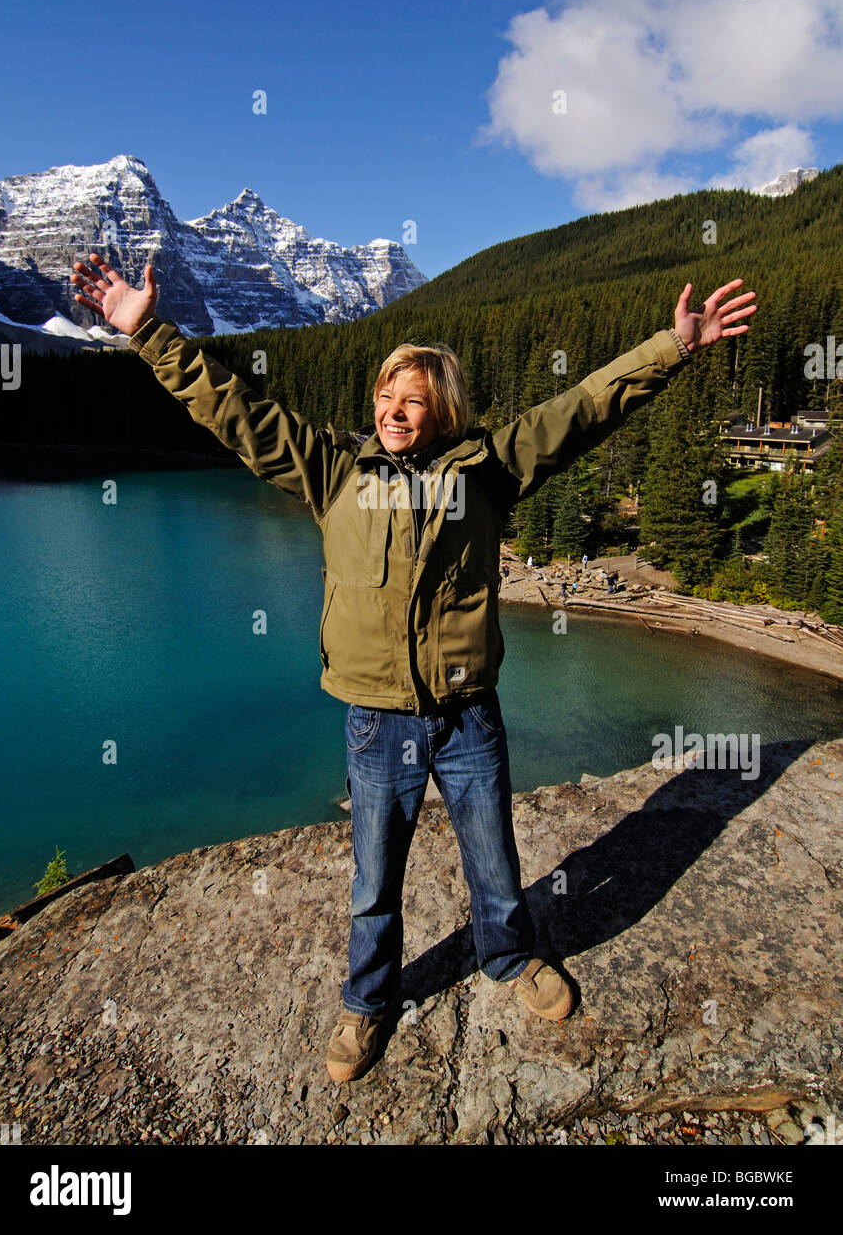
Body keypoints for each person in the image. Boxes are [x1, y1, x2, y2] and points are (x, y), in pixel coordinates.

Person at [70, 253, 757, 1084]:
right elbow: (233, 410)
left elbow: (581, 410)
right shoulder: (332, 469)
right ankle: (367, 1003)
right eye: (386, 398)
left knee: (493, 857)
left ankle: (508, 959)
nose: (395, 412)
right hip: (376, 714)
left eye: (414, 401)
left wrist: (670, 348)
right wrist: (147, 331)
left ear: (443, 411)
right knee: (373, 873)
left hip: (467, 710)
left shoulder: (486, 471)